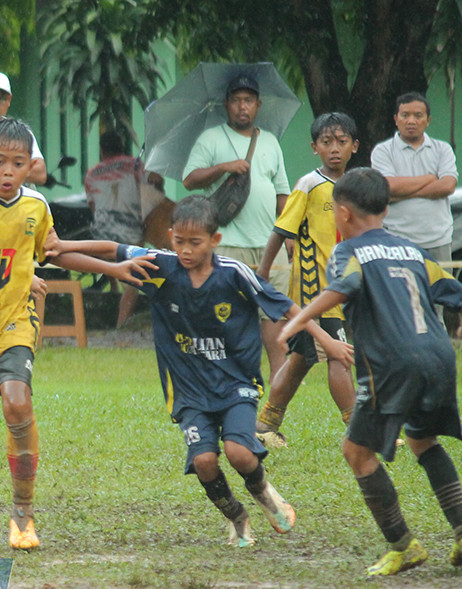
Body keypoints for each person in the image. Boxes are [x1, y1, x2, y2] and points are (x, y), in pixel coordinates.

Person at [52, 195, 352, 547]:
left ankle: (262, 491)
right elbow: (111, 249)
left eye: (195, 243)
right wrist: (62, 245)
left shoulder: (233, 274)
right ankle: (237, 517)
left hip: (235, 383)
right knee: (206, 462)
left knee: (240, 453)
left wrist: (326, 341)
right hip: (188, 391)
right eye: (179, 242)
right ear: (170, 236)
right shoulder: (161, 267)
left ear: (215, 240)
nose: (186, 250)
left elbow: (286, 306)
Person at [0, 117, 147, 550]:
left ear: (30, 165)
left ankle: (23, 511)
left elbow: (54, 254)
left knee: (18, 403)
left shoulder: (36, 206)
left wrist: (114, 268)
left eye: (18, 163)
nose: (8, 172)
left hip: (14, 322)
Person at [281, 167, 462, 576]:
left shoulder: (349, 252)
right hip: (439, 357)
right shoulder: (413, 251)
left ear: (343, 214)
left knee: (356, 452)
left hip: (392, 364)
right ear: (386, 208)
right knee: (423, 440)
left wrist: (299, 320)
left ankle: (403, 545)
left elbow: (342, 287)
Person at [254, 112, 360, 448]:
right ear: (314, 147)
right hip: (317, 289)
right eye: (326, 142)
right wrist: (263, 272)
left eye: (341, 142)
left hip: (344, 288)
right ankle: (360, 430)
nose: (334, 149)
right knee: (339, 354)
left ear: (354, 146)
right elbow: (281, 230)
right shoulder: (308, 185)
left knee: (301, 360)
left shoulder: (355, 186)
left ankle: (266, 424)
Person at [183, 74, 292, 381]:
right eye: (235, 100)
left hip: (270, 244)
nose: (242, 107)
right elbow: (190, 179)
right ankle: (231, 386)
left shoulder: (269, 141)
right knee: (227, 320)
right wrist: (224, 167)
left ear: (258, 105)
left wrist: (288, 236)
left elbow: (282, 193)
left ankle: (275, 400)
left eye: (248, 100)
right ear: (225, 104)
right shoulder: (211, 138)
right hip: (227, 243)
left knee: (275, 320)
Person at [84, 128, 165, 327]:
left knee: (110, 257)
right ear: (122, 147)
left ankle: (112, 290)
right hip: (131, 231)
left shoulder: (92, 174)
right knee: (132, 281)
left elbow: (93, 207)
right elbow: (156, 188)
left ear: (102, 150)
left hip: (101, 232)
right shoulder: (137, 166)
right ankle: (120, 325)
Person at [370, 92, 458, 264]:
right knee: (399, 291)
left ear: (428, 120)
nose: (411, 121)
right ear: (396, 119)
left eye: (418, 116)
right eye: (405, 115)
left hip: (438, 241)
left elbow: (447, 186)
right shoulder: (383, 151)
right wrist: (430, 178)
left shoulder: (442, 149)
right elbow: (388, 187)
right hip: (396, 240)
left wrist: (400, 194)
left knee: (438, 291)